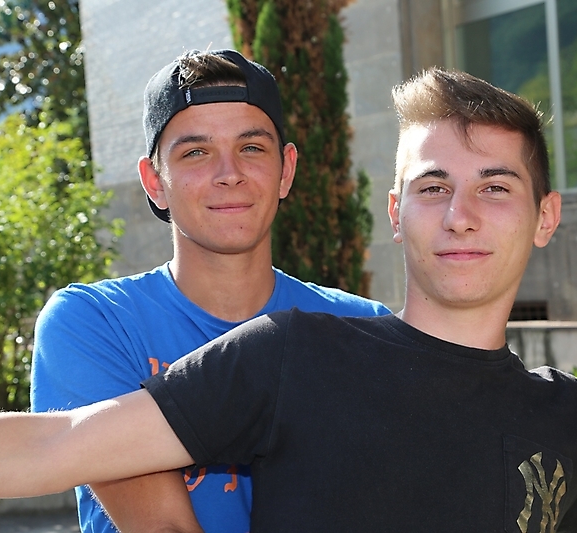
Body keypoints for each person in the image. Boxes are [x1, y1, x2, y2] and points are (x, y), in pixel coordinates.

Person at [0, 67, 577, 532]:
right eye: (433, 186)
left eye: (495, 187)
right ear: (395, 213)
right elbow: (55, 444)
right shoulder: (296, 353)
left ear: (546, 216)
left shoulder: (572, 417)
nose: (460, 214)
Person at [29, 48, 389, 533]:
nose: (229, 173)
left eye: (252, 148)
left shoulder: (363, 329)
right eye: (196, 152)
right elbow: (164, 528)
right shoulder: (96, 323)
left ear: (286, 170)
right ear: (155, 182)